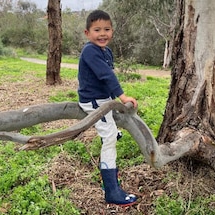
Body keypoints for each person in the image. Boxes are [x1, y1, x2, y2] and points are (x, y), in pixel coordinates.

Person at [77, 10, 138, 206]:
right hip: (95, 102)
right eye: (97, 30)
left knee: (111, 132)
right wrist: (122, 96)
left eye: (107, 29)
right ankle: (112, 191)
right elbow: (106, 76)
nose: (102, 34)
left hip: (103, 100)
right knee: (110, 139)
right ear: (87, 33)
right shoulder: (89, 51)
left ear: (112, 31)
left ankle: (110, 133)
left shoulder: (106, 51)